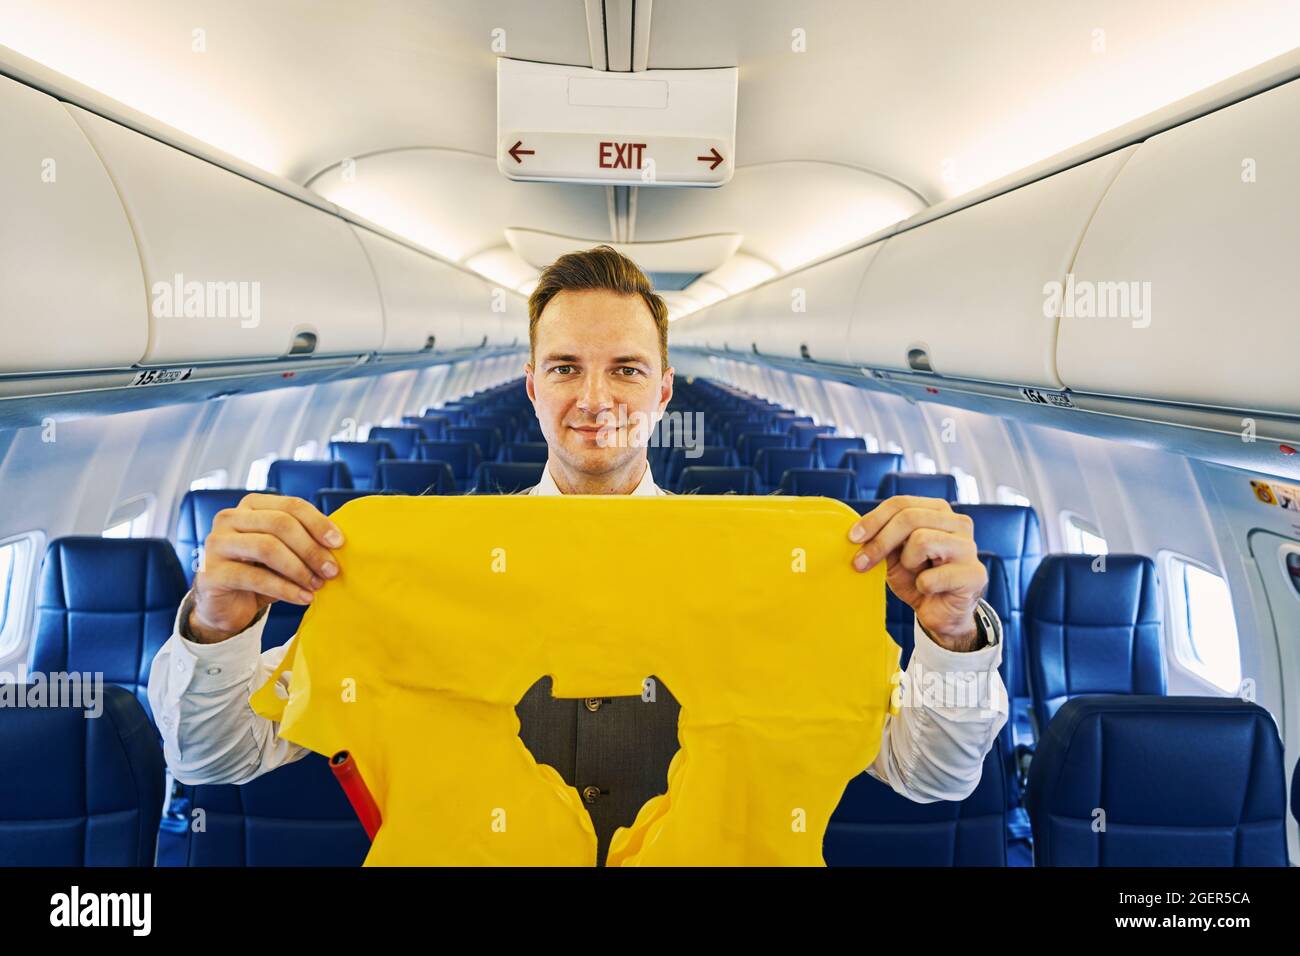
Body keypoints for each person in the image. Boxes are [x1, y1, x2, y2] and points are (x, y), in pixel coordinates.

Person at [149, 245, 1007, 865]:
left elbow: (933, 774)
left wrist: (953, 637)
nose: (595, 399)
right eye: (565, 368)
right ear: (530, 385)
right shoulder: (421, 572)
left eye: (627, 371)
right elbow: (210, 759)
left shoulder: (768, 576)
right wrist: (216, 626)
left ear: (665, 391)